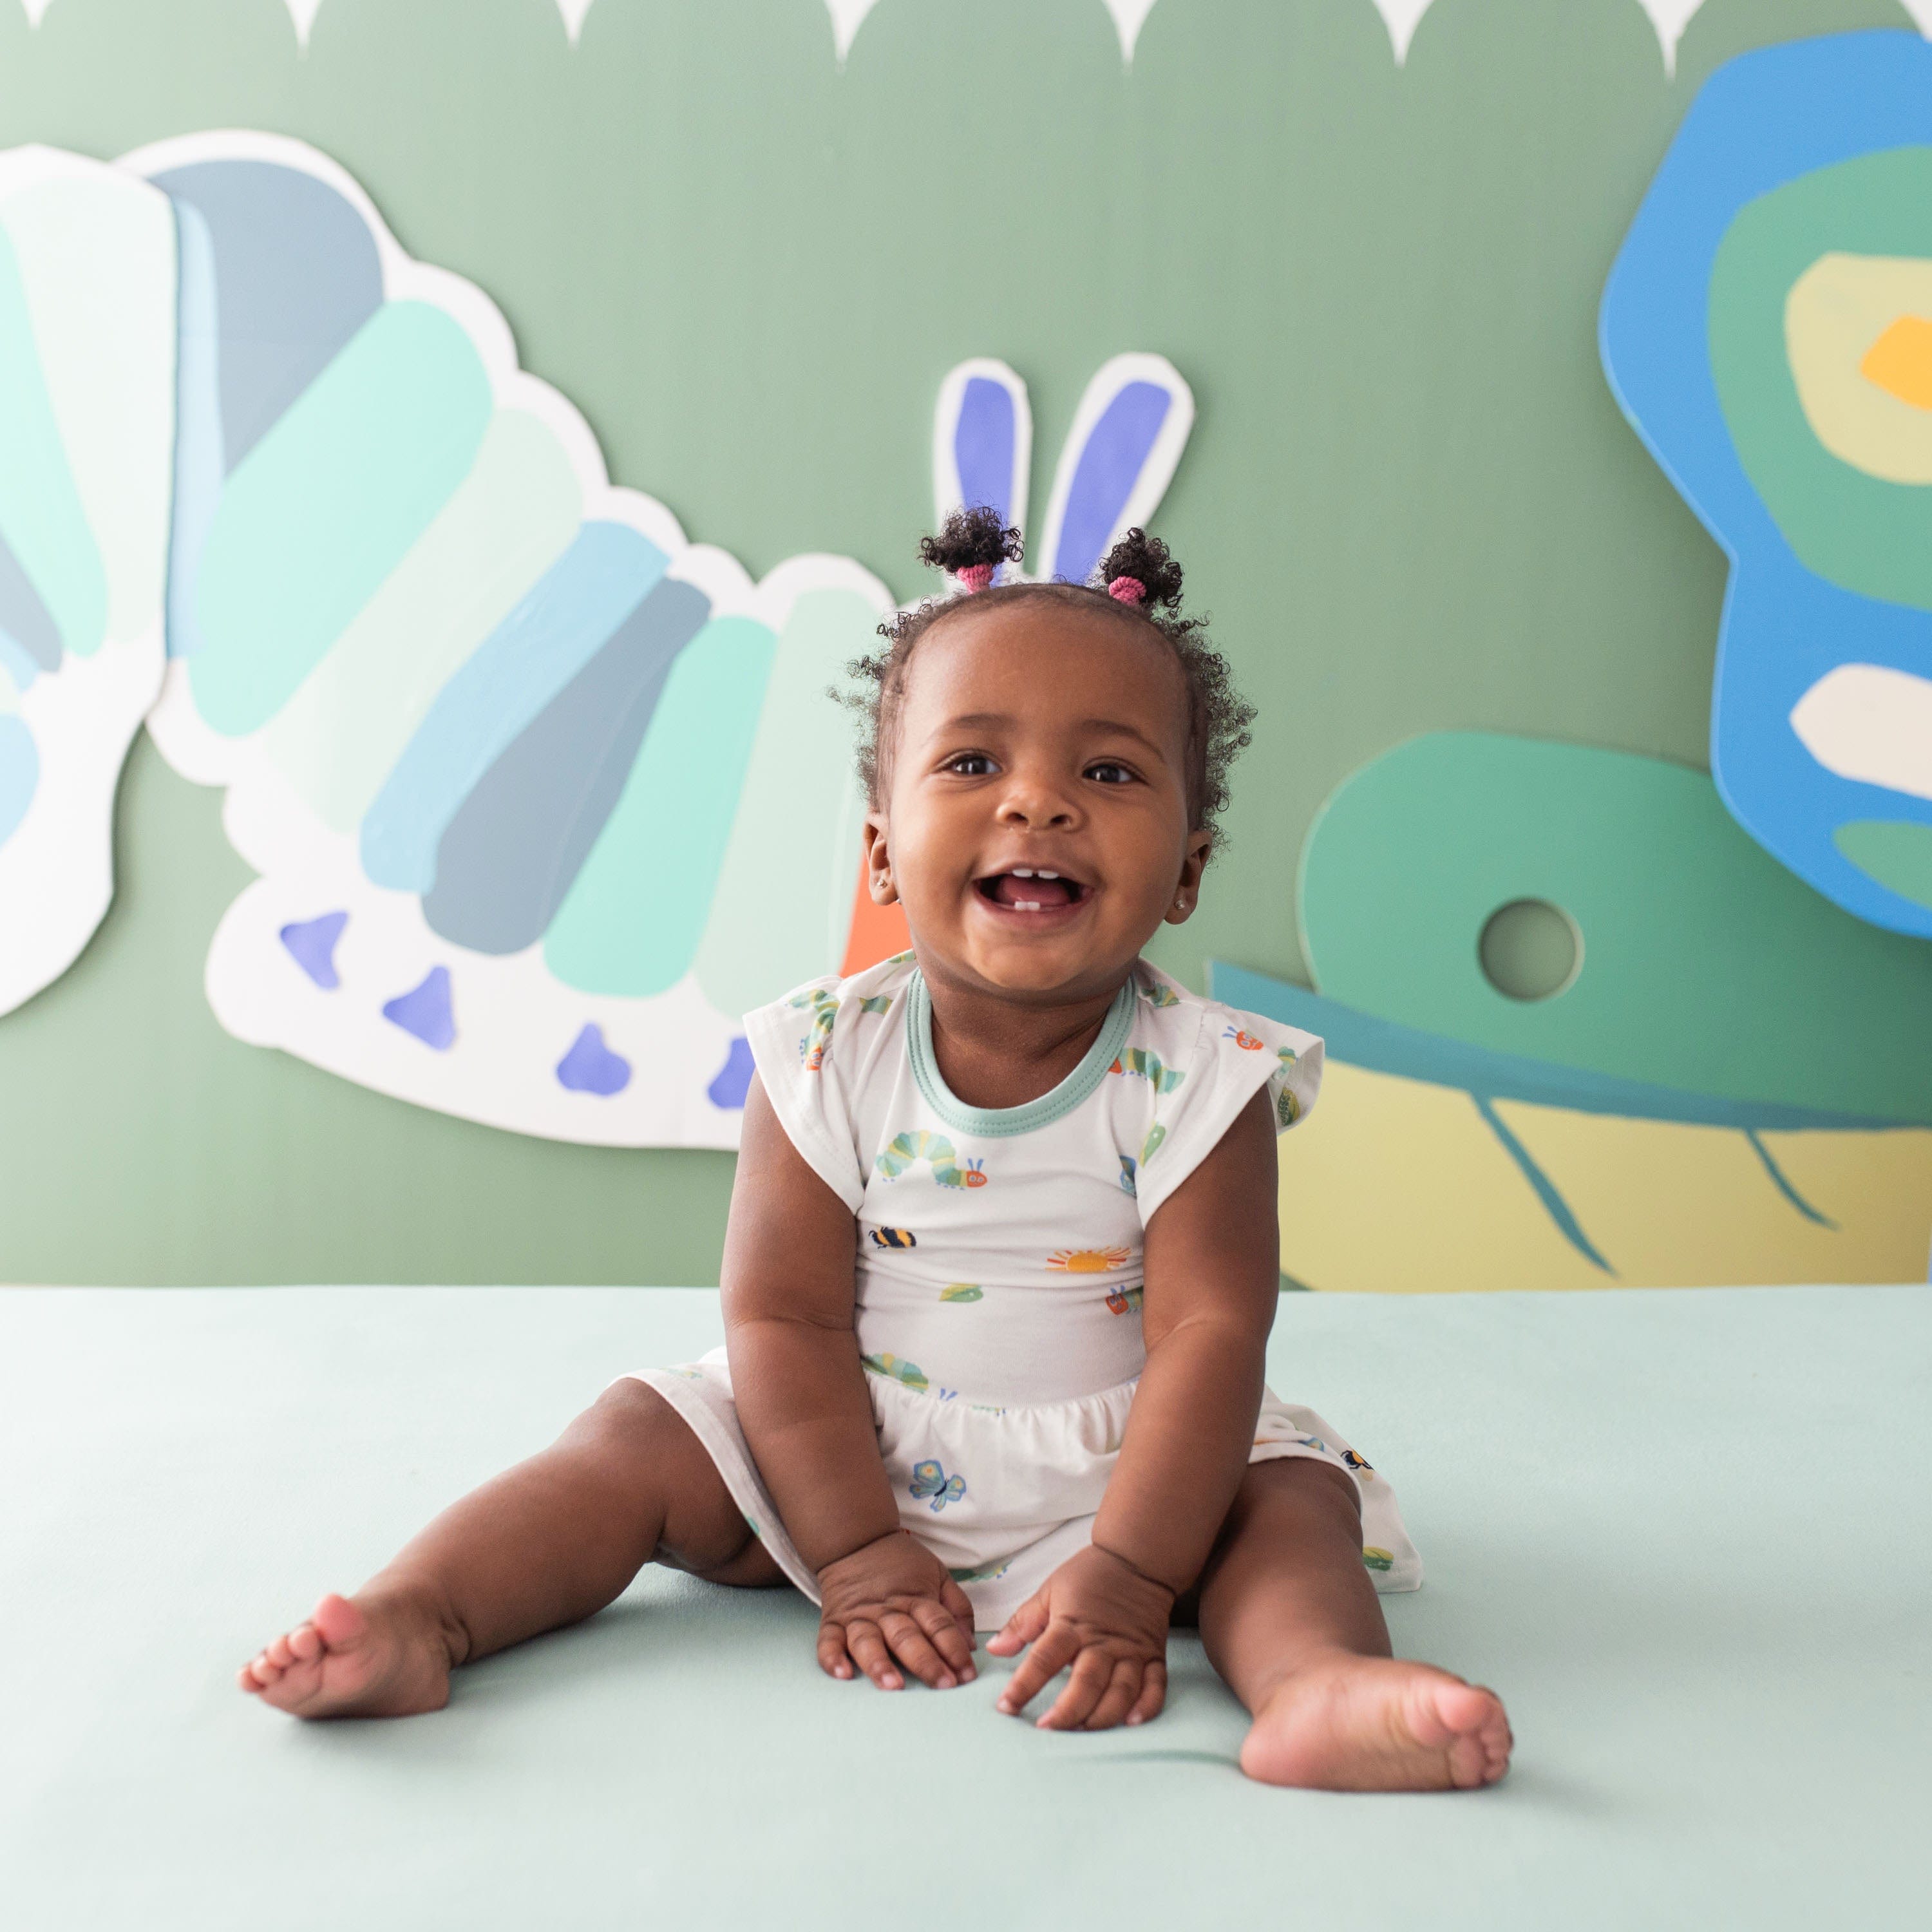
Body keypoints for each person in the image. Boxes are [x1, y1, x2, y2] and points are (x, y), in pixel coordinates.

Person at [239, 510, 1511, 1790]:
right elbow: (782, 1317)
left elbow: (1211, 1338)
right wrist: (852, 1548)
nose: (1039, 802)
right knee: (634, 1438)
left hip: (1141, 1482)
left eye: (1112, 774)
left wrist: (1131, 1573)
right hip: (843, 1453)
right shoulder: (821, 1053)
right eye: (970, 764)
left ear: (1186, 870)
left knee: (1292, 1508)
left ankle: (1312, 1687)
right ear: (881, 853)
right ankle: (422, 1615)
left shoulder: (1202, 1077)